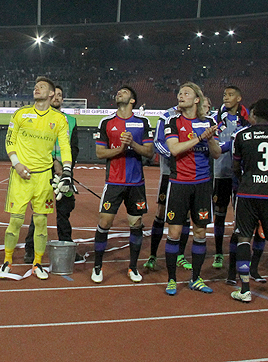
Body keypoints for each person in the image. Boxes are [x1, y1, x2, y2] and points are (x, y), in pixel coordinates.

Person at [1, 77, 72, 280]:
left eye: (41, 87)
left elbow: (65, 146)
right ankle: (7, 261)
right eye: (35, 86)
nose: (36, 89)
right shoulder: (21, 114)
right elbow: (9, 141)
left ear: (51, 93)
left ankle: (37, 263)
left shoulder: (59, 119)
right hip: (20, 176)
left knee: (41, 222)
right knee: (15, 221)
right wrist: (17, 164)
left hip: (43, 178)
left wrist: (67, 171)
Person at [230, 98, 268, 303]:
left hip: (247, 194)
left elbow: (236, 166)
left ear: (253, 114)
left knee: (244, 238)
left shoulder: (242, 135)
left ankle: (245, 289)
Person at [163, 82, 221, 295]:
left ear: (197, 99)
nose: (181, 96)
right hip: (179, 183)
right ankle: (171, 279)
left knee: (200, 231)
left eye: (186, 93)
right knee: (175, 232)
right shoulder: (172, 122)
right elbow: (174, 149)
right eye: (179, 93)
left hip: (202, 184)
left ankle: (196, 278)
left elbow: (216, 153)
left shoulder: (209, 122)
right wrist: (200, 138)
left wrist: (210, 139)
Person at [92, 86, 154, 283]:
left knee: (136, 223)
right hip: (114, 182)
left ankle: (133, 267)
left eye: (124, 92)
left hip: (136, 183)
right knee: (104, 222)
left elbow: (149, 152)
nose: (119, 93)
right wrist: (121, 148)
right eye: (118, 91)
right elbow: (100, 153)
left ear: (133, 100)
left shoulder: (143, 123)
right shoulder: (107, 122)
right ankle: (97, 267)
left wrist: (133, 145)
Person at [23, 85, 80, 264]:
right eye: (54, 95)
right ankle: (31, 249)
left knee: (64, 211)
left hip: (65, 172)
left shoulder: (71, 121)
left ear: (62, 99)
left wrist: (66, 168)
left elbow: (74, 148)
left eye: (60, 95)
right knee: (39, 211)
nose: (56, 98)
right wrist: (53, 162)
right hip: (43, 170)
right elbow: (34, 146)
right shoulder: (39, 118)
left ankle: (66, 245)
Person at [211, 86, 249, 272]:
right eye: (224, 94)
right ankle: (218, 252)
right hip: (220, 173)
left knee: (239, 214)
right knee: (219, 213)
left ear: (239, 98)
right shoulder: (216, 119)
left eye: (230, 95)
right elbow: (213, 143)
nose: (226, 97)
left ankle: (237, 253)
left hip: (239, 174)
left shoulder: (246, 121)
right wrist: (229, 144)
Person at [143, 104, 181, 271]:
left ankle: (180, 256)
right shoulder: (167, 116)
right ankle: (152, 255)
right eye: (181, 93)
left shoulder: (198, 118)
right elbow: (157, 143)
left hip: (190, 175)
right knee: (161, 211)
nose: (182, 96)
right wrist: (174, 153)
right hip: (169, 173)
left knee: (185, 214)